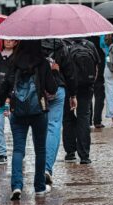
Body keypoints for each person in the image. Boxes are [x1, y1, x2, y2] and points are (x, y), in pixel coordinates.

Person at [0, 40, 57, 201]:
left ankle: (16, 186)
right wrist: (53, 72)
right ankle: (39, 188)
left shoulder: (14, 62)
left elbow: (6, 85)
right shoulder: (42, 63)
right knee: (40, 150)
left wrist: (0, 101)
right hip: (39, 111)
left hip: (18, 111)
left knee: (18, 150)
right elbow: (52, 88)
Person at [42, 39, 77, 185]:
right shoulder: (61, 45)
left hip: (38, 89)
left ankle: (41, 166)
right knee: (54, 127)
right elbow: (70, 73)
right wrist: (73, 95)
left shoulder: (31, 42)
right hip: (58, 88)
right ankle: (47, 167)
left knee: (39, 128)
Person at [62, 38, 101, 164]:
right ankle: (84, 155)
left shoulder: (63, 45)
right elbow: (96, 68)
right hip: (86, 86)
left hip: (67, 86)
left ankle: (70, 152)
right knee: (83, 117)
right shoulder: (90, 45)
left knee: (68, 117)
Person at [0, 39, 18, 165]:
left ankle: (19, 151)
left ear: (16, 42)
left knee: (15, 125)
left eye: (12, 40)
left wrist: (9, 98)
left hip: (12, 98)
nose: (8, 42)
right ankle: (2, 153)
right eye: (6, 39)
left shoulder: (17, 57)